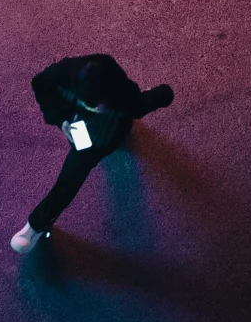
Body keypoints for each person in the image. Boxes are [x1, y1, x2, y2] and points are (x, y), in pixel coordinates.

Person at [10, 54, 173, 253]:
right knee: (70, 178)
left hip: (113, 130)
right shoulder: (59, 75)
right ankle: (36, 225)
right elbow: (40, 85)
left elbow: (137, 104)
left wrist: (158, 96)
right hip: (81, 132)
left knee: (137, 107)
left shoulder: (118, 87)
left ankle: (158, 98)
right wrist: (62, 119)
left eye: (102, 104)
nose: (100, 108)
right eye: (95, 105)